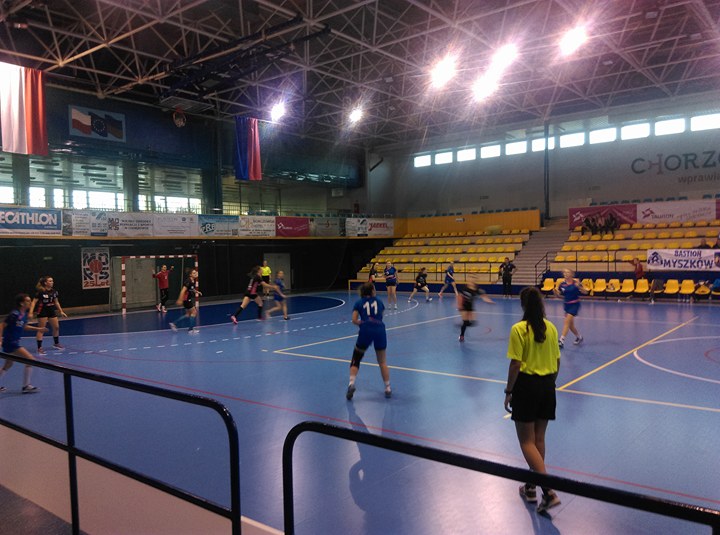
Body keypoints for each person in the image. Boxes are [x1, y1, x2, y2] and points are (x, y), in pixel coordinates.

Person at [504, 286, 561, 514]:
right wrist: (549, 383)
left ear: (523, 305)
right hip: (548, 386)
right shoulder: (552, 328)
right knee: (539, 439)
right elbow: (557, 362)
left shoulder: (519, 329)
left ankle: (548, 492)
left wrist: (509, 391)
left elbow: (516, 364)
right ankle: (530, 487)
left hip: (526, 387)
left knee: (527, 442)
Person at [345, 282, 392, 400]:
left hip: (365, 330)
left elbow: (354, 319)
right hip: (379, 330)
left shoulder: (359, 303)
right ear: (372, 291)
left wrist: (363, 324)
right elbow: (381, 315)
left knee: (356, 358)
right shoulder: (379, 301)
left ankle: (351, 384)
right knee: (382, 361)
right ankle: (387, 388)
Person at [0, 294, 46, 393]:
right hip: (11, 342)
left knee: (8, 364)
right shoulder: (14, 314)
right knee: (30, 359)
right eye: (27, 301)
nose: (30, 303)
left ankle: (26, 386)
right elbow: (2, 325)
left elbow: (24, 326)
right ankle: (26, 386)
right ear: (21, 303)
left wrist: (38, 329)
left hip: (13, 342)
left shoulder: (23, 314)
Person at [29, 275, 67, 354]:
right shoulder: (40, 292)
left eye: (52, 281)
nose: (52, 282)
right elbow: (33, 302)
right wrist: (30, 312)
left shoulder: (54, 291)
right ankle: (39, 347)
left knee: (56, 327)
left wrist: (61, 311)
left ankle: (56, 343)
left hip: (51, 310)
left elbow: (56, 302)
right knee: (41, 329)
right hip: (42, 311)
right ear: (45, 283)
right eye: (50, 281)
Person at [553, 269, 587, 348]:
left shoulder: (576, 283)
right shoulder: (562, 284)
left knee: (566, 321)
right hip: (566, 305)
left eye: (567, 272)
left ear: (572, 274)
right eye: (564, 272)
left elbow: (585, 292)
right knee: (570, 325)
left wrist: (579, 287)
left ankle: (561, 340)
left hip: (575, 304)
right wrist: (555, 293)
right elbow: (559, 295)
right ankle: (579, 337)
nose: (565, 274)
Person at [458, 275, 494, 342]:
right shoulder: (464, 288)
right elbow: (459, 296)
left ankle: (462, 325)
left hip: (470, 306)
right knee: (465, 322)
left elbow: (483, 297)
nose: (471, 281)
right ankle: (461, 335)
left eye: (473, 280)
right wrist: (459, 304)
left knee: (473, 322)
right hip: (464, 306)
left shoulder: (477, 289)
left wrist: (489, 301)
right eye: (470, 280)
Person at [169, 269, 202, 334]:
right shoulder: (188, 281)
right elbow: (183, 291)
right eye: (194, 273)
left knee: (188, 314)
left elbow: (192, 288)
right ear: (190, 275)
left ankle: (174, 323)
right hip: (186, 299)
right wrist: (180, 299)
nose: (195, 274)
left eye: (195, 272)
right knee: (194, 312)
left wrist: (197, 291)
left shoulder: (193, 281)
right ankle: (190, 330)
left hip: (187, 299)